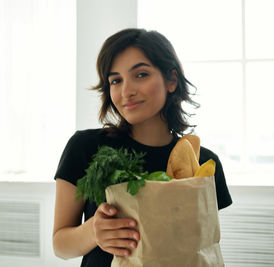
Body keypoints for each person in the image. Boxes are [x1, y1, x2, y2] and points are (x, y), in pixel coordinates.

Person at [52, 28, 232, 267]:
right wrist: (93, 232)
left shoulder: (203, 164)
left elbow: (201, 244)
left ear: (171, 81)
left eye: (141, 75)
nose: (126, 91)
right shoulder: (85, 147)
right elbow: (60, 245)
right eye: (116, 80)